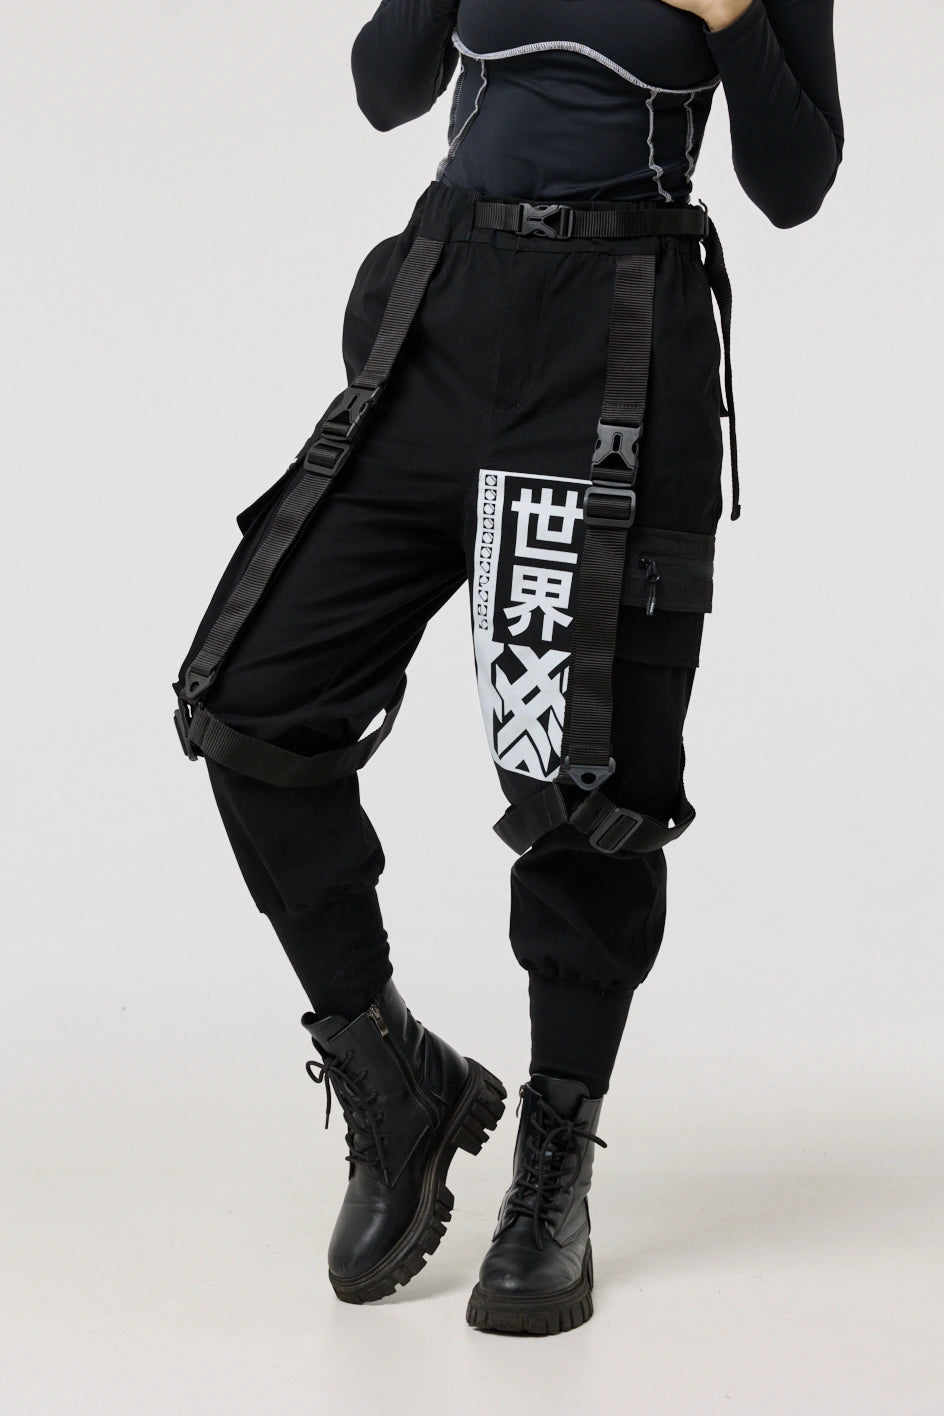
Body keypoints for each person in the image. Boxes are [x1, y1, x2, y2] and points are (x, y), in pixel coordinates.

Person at [172, 0, 843, 1336]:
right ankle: (392, 1077)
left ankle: (554, 1164)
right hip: (440, 313)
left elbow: (795, 181)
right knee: (248, 696)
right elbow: (384, 88)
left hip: (617, 339)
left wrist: (731, 16)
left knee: (582, 775)